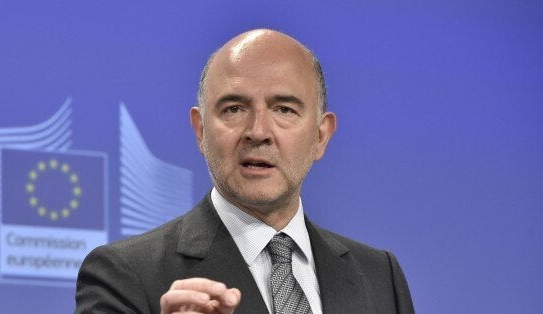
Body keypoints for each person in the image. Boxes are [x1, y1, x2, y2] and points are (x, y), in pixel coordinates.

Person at [75, 29, 414, 314]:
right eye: (234, 108)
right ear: (200, 130)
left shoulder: (379, 276)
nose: (258, 131)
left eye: (284, 109)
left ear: (321, 136)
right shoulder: (124, 274)